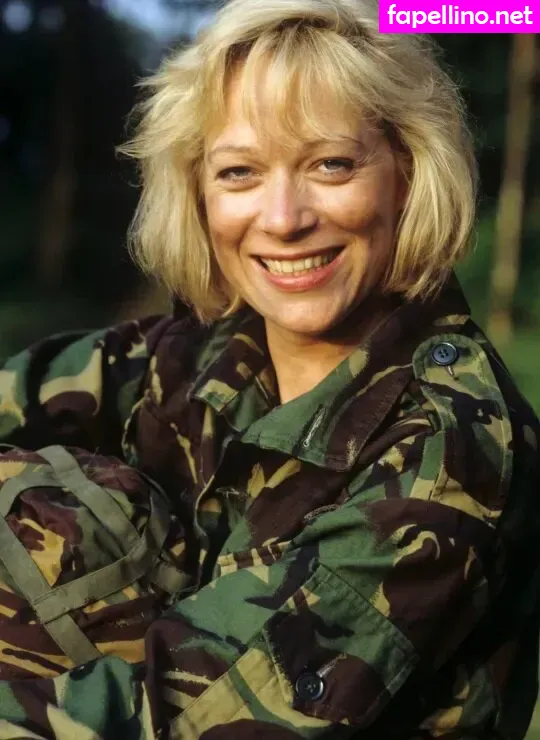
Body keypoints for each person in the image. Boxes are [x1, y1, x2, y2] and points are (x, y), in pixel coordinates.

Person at [0, 0, 539, 736]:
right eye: (240, 172)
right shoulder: (196, 355)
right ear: (197, 194)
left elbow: (187, 721)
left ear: (408, 173)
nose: (284, 218)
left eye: (331, 164)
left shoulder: (449, 451)